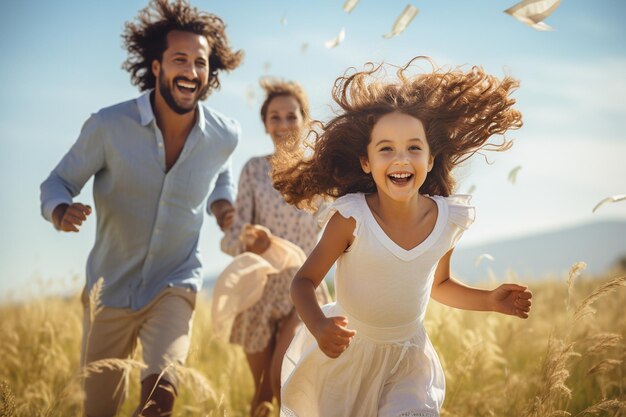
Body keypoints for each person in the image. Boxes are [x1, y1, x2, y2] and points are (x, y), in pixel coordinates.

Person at [272, 57, 533, 417]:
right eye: (386, 149)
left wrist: (489, 300)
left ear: (430, 159)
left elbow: (438, 284)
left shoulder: (446, 220)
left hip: (408, 361)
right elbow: (304, 281)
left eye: (413, 147)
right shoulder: (352, 218)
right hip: (347, 356)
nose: (401, 159)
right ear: (366, 162)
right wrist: (318, 325)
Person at [39, 1, 243, 416]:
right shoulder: (109, 127)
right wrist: (61, 211)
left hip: (175, 282)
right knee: (99, 410)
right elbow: (56, 182)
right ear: (156, 67)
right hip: (108, 293)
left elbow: (220, 173)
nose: (190, 71)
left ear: (210, 72)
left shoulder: (224, 134)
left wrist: (223, 208)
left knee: (159, 402)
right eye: (179, 60)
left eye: (200, 62)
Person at [220, 78, 331, 416]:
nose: (283, 125)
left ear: (305, 120)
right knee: (264, 395)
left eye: (291, 116)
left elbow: (337, 230)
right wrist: (251, 239)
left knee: (282, 381)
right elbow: (234, 235)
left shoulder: (321, 174)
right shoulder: (253, 170)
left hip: (305, 287)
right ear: (265, 122)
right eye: (275, 117)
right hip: (258, 292)